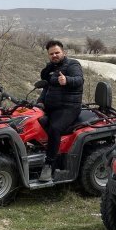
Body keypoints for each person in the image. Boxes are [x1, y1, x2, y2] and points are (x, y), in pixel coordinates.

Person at [37, 40, 84, 182]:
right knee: (35, 122)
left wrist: (67, 80)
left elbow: (79, 80)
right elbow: (47, 87)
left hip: (68, 108)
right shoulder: (51, 67)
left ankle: (49, 164)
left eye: (57, 52)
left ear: (63, 52)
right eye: (51, 54)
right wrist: (40, 101)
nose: (54, 55)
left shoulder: (72, 64)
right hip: (52, 107)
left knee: (55, 128)